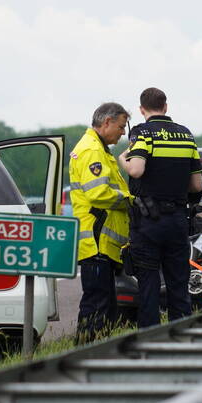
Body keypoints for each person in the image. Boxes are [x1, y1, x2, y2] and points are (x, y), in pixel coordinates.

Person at [119, 87, 202, 328]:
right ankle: (182, 337)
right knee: (179, 282)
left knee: (149, 284)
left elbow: (136, 170)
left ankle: (151, 340)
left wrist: (122, 159)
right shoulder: (186, 135)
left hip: (148, 222)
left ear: (142, 109)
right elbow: (197, 185)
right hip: (177, 219)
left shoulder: (142, 133)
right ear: (166, 107)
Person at [69, 102, 133, 340]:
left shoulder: (98, 148)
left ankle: (92, 353)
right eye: (121, 126)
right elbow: (98, 194)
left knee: (104, 306)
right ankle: (84, 354)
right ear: (107, 123)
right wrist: (130, 201)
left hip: (101, 244)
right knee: (96, 305)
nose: (123, 132)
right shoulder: (92, 151)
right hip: (97, 243)